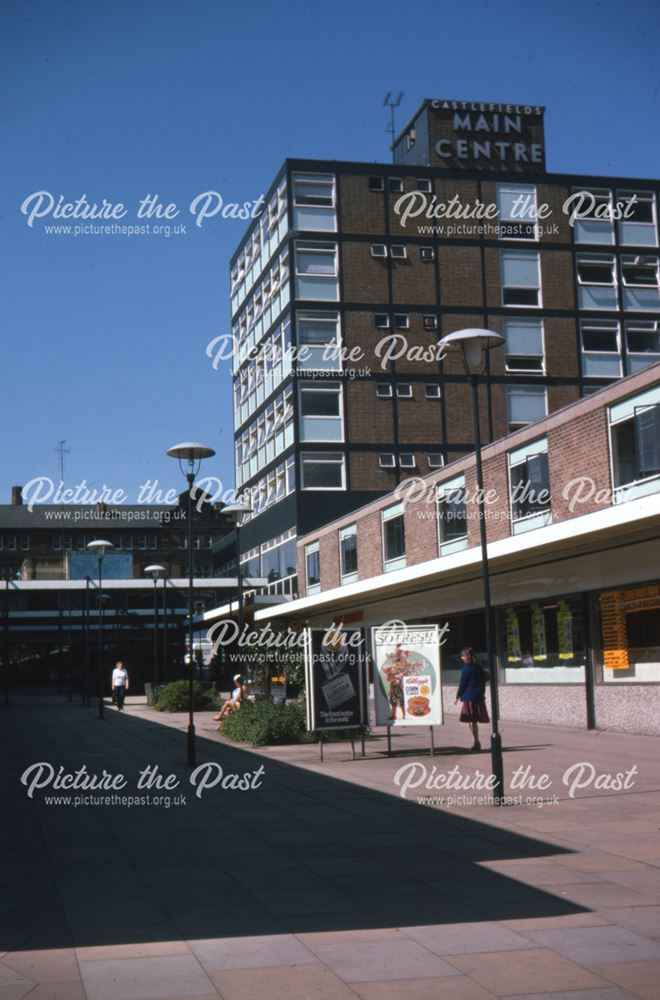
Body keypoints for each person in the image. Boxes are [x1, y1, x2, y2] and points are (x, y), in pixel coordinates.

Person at [454, 647, 489, 751]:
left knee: (471, 720)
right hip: (478, 696)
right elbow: (484, 679)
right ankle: (476, 742)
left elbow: (462, 683)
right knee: (473, 721)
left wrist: (457, 696)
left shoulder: (466, 668)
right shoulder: (479, 667)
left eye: (463, 656)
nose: (462, 658)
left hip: (469, 696)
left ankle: (476, 742)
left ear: (468, 657)